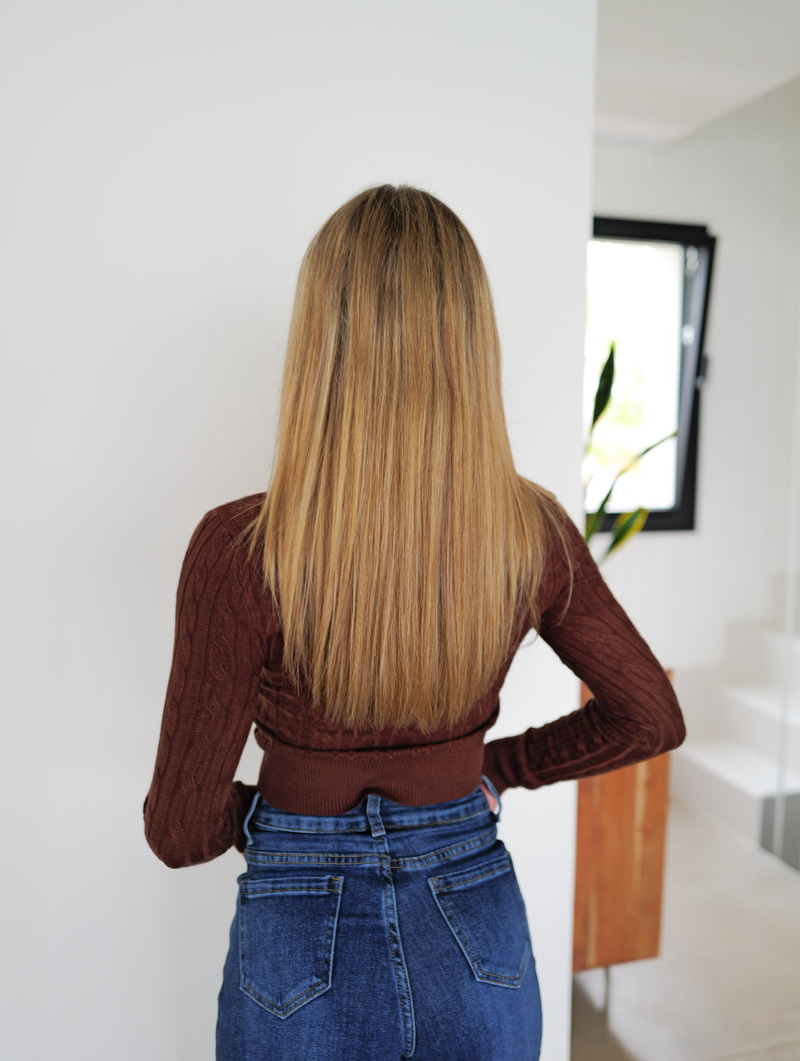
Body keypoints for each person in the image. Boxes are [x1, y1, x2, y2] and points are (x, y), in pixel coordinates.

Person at [144, 184, 685, 1060]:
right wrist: (497, 769)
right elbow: (651, 715)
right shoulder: (530, 533)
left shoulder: (239, 549)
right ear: (472, 344)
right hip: (476, 923)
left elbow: (180, 829)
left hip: (296, 931)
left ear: (319, 340)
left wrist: (281, 827)